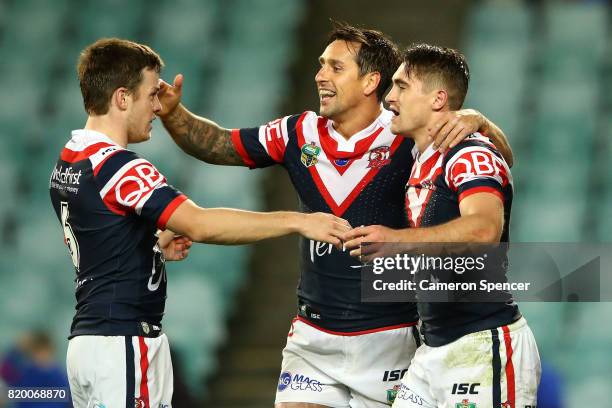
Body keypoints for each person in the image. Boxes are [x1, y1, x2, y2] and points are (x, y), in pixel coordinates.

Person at [157, 22, 514, 407]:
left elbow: (493, 162)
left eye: (335, 67)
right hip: (314, 337)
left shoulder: (405, 133)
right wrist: (175, 113)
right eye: (320, 64)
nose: (320, 76)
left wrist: (479, 120)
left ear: (370, 82)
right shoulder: (296, 133)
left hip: (391, 337)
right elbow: (219, 145)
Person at [49, 38, 350, 408]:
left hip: (87, 344)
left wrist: (151, 249)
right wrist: (298, 221)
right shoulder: (118, 166)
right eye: (150, 96)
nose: (158, 108)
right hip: (123, 344)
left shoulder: (69, 159)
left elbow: (98, 239)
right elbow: (200, 224)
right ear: (122, 98)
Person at [343, 44, 540, 407]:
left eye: (402, 87)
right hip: (432, 351)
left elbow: (483, 230)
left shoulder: (470, 152)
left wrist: (397, 242)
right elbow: (507, 156)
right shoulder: (421, 155)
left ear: (438, 99)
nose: (389, 97)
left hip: (482, 346)